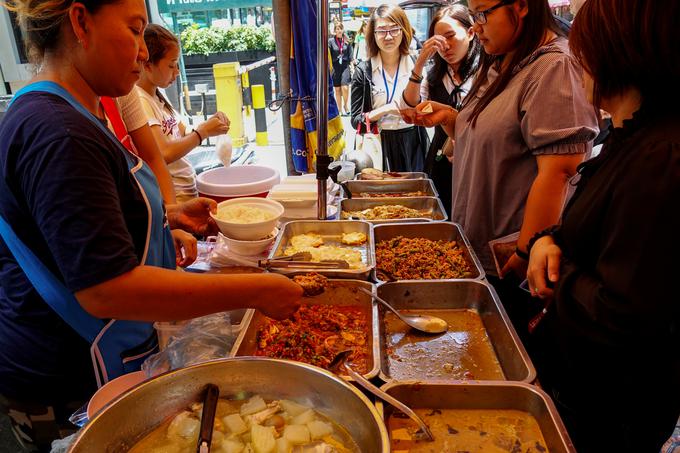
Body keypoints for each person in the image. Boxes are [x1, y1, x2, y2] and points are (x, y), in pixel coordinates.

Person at [0, 0, 301, 450]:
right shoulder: (57, 131)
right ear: (80, 22)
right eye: (135, 30)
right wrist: (259, 288)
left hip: (89, 357)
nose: (144, 51)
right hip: (64, 379)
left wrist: (167, 218)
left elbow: (75, 228)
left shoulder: (72, 111)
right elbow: (106, 289)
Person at [526, 0, 680, 451]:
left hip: (615, 402)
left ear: (616, 51)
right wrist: (547, 239)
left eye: (583, 52)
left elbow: (624, 312)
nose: (579, 68)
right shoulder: (628, 133)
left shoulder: (661, 155)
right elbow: (589, 225)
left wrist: (553, 273)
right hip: (581, 380)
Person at [404, 0, 598, 344]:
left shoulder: (554, 66)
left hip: (514, 268)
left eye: (482, 14)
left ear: (521, 6)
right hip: (481, 255)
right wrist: (450, 118)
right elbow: (488, 138)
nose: (476, 26)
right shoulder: (502, 60)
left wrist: (525, 253)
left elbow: (560, 171)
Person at [401, 4, 481, 216]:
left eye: (451, 36)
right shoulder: (435, 76)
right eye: (439, 41)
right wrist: (419, 63)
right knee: (441, 212)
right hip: (440, 158)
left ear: (471, 33)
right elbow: (409, 106)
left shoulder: (486, 73)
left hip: (476, 158)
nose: (446, 46)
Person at [136, 24, 230, 203]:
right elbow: (164, 153)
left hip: (187, 191)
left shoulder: (158, 95)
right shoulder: (140, 101)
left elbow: (184, 132)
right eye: (172, 65)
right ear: (147, 65)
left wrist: (211, 125)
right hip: (173, 198)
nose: (177, 72)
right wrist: (203, 133)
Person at [350, 4, 429, 172]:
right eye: (382, 31)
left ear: (404, 31)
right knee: (381, 196)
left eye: (394, 29)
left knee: (413, 195)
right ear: (373, 34)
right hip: (378, 144)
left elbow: (428, 108)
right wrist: (385, 110)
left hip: (413, 143)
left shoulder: (417, 65)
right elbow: (355, 120)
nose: (388, 36)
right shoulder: (364, 71)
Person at [328, 22, 353, 116]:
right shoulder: (330, 41)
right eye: (337, 29)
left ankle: (346, 106)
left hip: (345, 66)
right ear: (334, 31)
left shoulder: (347, 41)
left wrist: (352, 65)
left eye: (340, 29)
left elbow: (350, 55)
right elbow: (328, 55)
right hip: (335, 67)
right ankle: (339, 109)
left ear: (343, 30)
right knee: (337, 89)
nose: (339, 30)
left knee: (345, 88)